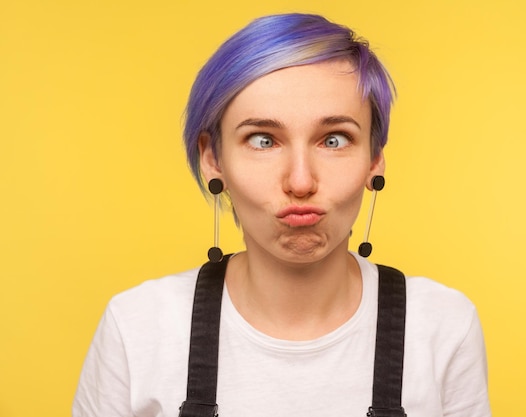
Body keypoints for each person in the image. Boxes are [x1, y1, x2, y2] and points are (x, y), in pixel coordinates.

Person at [73, 13, 491, 417]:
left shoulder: (442, 327)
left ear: (374, 159)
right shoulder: (136, 327)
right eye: (262, 140)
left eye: (333, 139)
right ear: (212, 158)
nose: (301, 181)